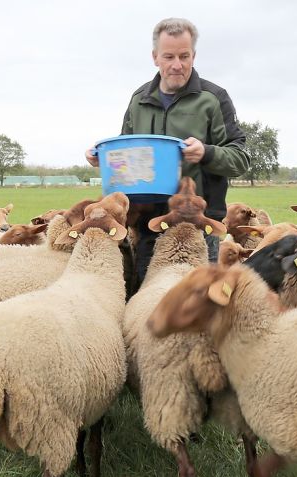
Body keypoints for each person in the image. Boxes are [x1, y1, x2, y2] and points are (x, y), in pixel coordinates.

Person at [86, 17, 249, 285]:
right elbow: (125, 151)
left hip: (198, 225)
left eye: (184, 56)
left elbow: (240, 158)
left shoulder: (213, 98)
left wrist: (206, 152)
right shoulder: (139, 99)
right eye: (169, 56)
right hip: (148, 224)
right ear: (155, 57)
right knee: (145, 303)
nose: (177, 65)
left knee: (197, 306)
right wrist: (101, 158)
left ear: (194, 55)